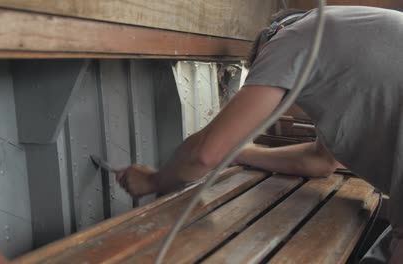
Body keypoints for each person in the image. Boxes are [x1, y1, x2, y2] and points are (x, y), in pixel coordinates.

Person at [115, 6, 403, 263]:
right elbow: (320, 161)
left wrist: (152, 180)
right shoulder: (342, 39)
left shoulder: (289, 38)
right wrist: (239, 151)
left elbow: (205, 153)